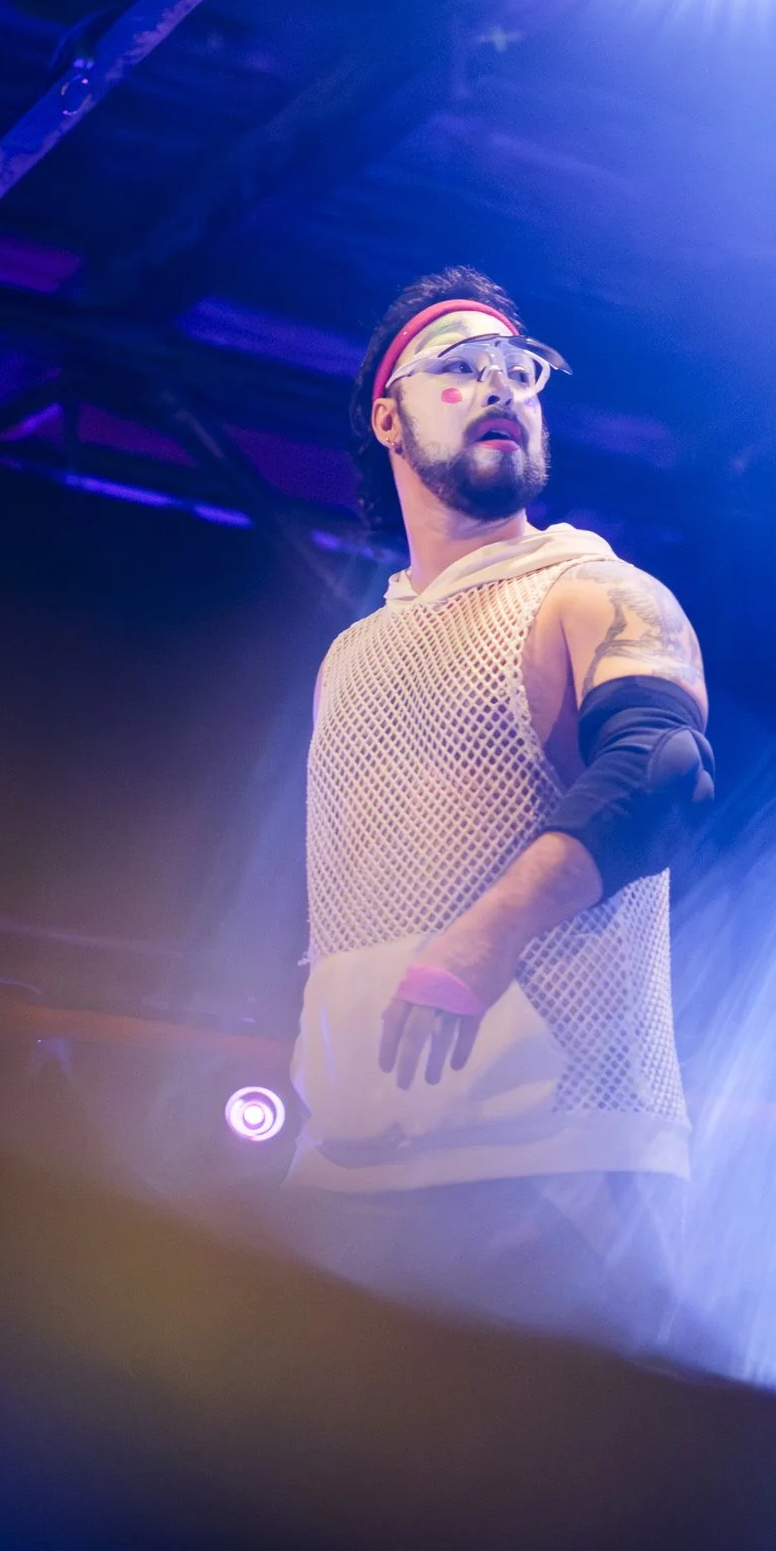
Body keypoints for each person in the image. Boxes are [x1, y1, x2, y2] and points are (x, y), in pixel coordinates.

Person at [279, 267, 713, 1350]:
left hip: (553, 1166)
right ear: (389, 417)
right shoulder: (349, 655)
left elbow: (660, 771)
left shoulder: (591, 589)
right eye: (462, 368)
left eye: (520, 370)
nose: (500, 387)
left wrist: (485, 936)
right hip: (354, 1161)